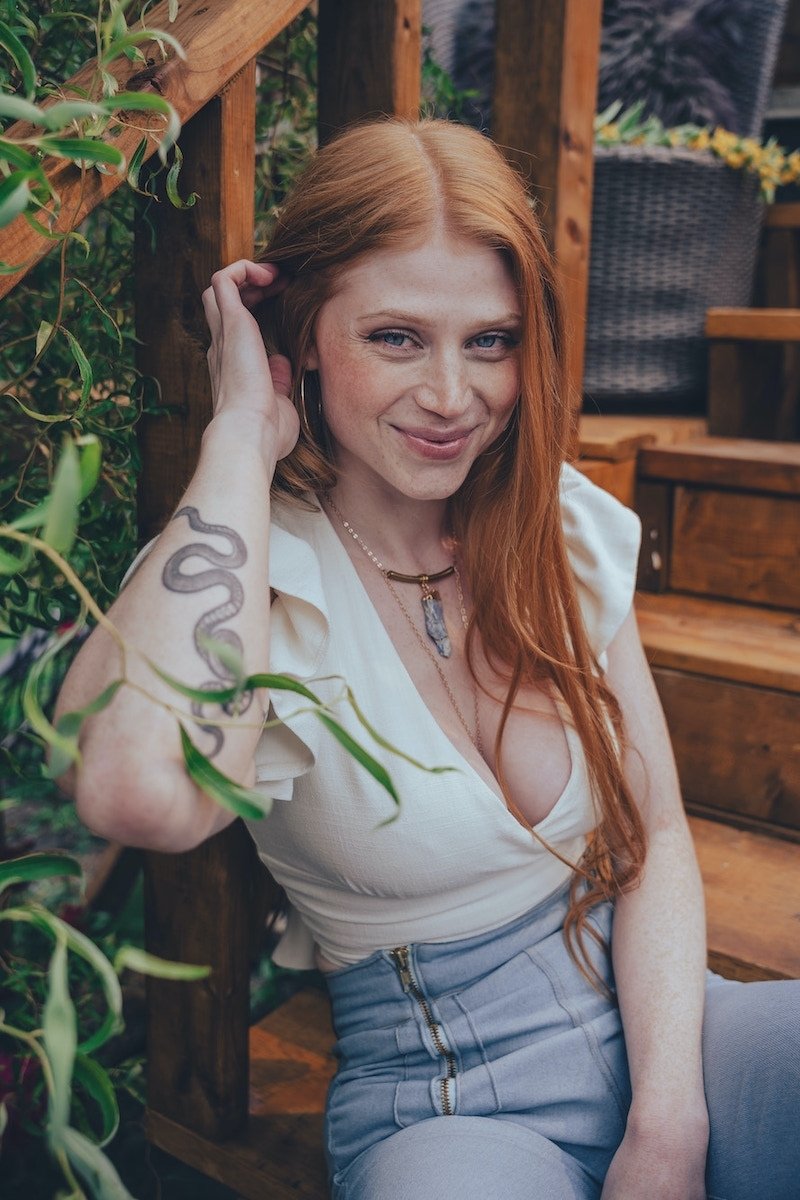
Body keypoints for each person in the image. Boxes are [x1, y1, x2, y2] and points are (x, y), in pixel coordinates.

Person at [54, 119, 798, 1200]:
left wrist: (667, 1127)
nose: (454, 397)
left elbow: (655, 837)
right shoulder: (251, 577)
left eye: (487, 341)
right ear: (304, 336)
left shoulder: (558, 525)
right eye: (396, 337)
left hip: (673, 1021)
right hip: (452, 1097)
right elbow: (133, 788)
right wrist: (234, 441)